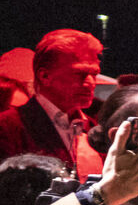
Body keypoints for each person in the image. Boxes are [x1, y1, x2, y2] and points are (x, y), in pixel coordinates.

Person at [2, 28, 103, 171]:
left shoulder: (94, 128)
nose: (90, 82)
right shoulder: (8, 128)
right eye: (79, 73)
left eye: (94, 74)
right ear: (44, 76)